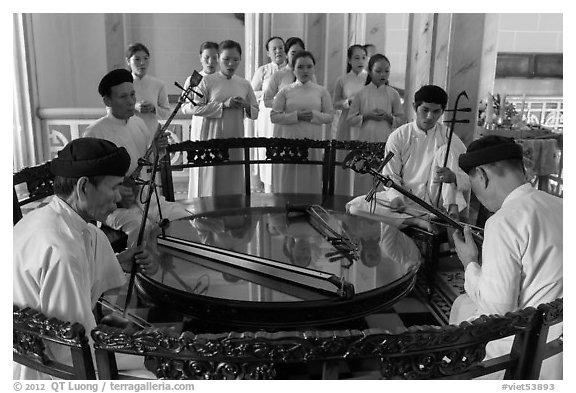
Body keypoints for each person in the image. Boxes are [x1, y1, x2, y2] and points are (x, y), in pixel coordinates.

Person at [13, 138, 158, 379]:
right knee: (157, 374)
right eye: (113, 188)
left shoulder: (48, 221)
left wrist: (125, 261)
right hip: (44, 368)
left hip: (42, 350)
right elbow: (69, 350)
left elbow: (87, 267)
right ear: (83, 187)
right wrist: (149, 355)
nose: (117, 198)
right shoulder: (62, 250)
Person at [450, 135, 562, 379]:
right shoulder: (561, 205)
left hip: (529, 349)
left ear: (482, 175)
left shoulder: (503, 221)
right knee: (462, 305)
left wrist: (470, 262)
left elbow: (498, 312)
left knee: (452, 343)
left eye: (473, 184)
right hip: (561, 342)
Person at [84, 69, 191, 249]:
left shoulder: (139, 123)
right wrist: (116, 192)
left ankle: (169, 268)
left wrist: (158, 149)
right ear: (107, 101)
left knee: (182, 217)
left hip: (145, 198)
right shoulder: (94, 133)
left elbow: (148, 163)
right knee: (142, 229)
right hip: (112, 206)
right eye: (123, 97)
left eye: (132, 94)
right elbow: (89, 182)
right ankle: (138, 271)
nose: (131, 101)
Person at [346, 85, 470, 230]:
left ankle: (449, 214)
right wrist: (396, 197)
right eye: (425, 110)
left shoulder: (448, 137)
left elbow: (470, 176)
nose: (430, 116)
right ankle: (415, 221)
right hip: (405, 200)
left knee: (445, 151)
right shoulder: (399, 136)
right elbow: (390, 175)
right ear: (414, 107)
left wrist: (454, 177)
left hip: (435, 201)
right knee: (355, 207)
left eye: (436, 111)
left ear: (442, 111)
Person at [187, 39, 259, 197]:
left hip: (235, 136)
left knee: (232, 175)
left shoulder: (244, 84)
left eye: (235, 60)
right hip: (212, 137)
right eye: (226, 59)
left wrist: (246, 105)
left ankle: (233, 214)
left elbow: (255, 111)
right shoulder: (206, 81)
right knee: (212, 178)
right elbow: (195, 108)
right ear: (218, 58)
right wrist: (224, 105)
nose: (231, 64)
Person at [270, 51, 334, 194]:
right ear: (293, 69)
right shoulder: (285, 91)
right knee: (288, 177)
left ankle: (310, 207)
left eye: (309, 67)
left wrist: (314, 115)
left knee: (310, 175)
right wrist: (296, 116)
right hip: (289, 141)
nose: (305, 70)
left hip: (312, 140)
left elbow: (330, 116)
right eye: (300, 67)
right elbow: (274, 116)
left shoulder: (321, 91)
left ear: (313, 69)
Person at [347, 54, 404, 194]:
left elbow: (401, 119)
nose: (383, 74)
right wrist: (367, 116)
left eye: (386, 71)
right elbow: (350, 119)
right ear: (370, 71)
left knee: (384, 173)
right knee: (364, 173)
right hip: (365, 138)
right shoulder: (361, 93)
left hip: (386, 139)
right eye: (378, 71)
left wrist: (388, 117)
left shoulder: (393, 94)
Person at [181, 41, 220, 199]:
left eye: (214, 57)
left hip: (218, 126)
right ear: (200, 58)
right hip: (199, 125)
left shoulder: (222, 78)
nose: (210, 62)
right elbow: (184, 105)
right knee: (200, 163)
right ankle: (197, 199)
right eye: (207, 57)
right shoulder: (193, 79)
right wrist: (197, 108)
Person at [251, 36, 287, 193]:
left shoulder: (291, 70)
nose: (278, 51)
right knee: (269, 151)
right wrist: (269, 93)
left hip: (286, 116)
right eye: (274, 49)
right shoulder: (263, 70)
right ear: (268, 53)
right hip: (267, 118)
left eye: (281, 47)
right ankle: (269, 190)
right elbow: (251, 93)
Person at [332, 44, 368, 195]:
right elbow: (335, 104)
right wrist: (348, 102)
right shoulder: (342, 80)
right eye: (356, 57)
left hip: (365, 122)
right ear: (349, 60)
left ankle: (363, 194)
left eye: (364, 57)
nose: (360, 61)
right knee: (346, 157)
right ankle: (343, 194)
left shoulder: (370, 78)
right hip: (347, 121)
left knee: (364, 157)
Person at [125, 42, 171, 139]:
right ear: (128, 61)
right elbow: (111, 109)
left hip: (151, 133)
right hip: (128, 132)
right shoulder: (123, 84)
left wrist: (153, 108)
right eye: (137, 59)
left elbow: (166, 113)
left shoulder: (158, 85)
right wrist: (134, 107)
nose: (142, 63)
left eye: (145, 58)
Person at [263, 37, 317, 109]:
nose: (297, 56)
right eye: (293, 53)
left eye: (300, 53)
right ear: (286, 54)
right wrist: (283, 103)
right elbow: (267, 101)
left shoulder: (309, 75)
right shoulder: (279, 75)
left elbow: (316, 96)